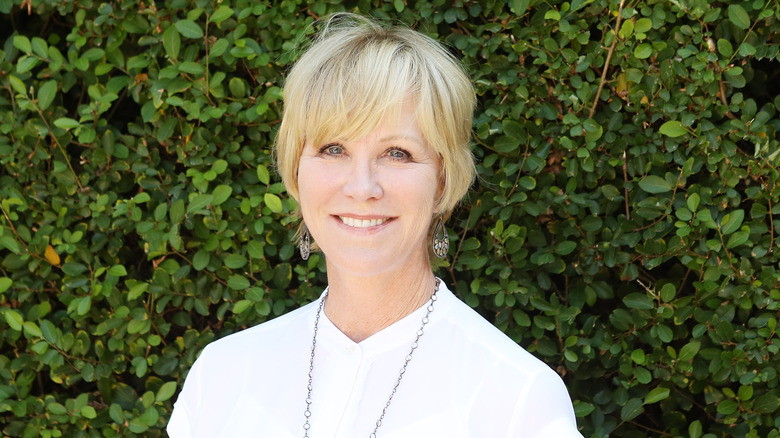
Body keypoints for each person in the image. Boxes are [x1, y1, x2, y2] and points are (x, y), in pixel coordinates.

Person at [167, 13, 583, 438]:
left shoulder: (517, 397)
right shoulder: (222, 374)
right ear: (296, 170)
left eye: (397, 153)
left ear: (443, 179)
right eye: (333, 149)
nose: (362, 187)